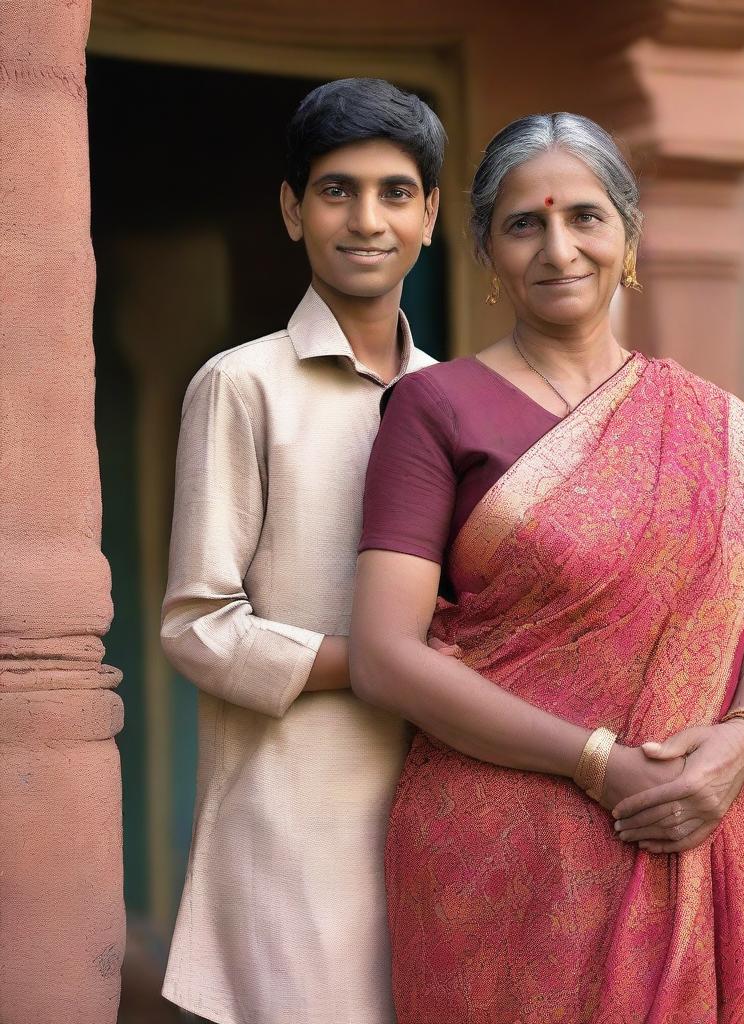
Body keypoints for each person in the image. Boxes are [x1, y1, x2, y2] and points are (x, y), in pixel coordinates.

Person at [350, 112, 744, 1023]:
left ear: (628, 237)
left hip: (682, 826)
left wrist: (741, 744)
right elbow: (383, 654)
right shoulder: (435, 408)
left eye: (586, 219)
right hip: (499, 847)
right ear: (487, 248)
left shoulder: (701, 426)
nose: (558, 248)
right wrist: (599, 763)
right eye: (525, 223)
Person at [159, 78, 444, 1024]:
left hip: (444, 813)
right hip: (290, 828)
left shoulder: (461, 403)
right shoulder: (241, 386)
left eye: (396, 192)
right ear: (292, 209)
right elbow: (198, 627)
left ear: (432, 215)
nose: (367, 219)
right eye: (336, 189)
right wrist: (380, 668)